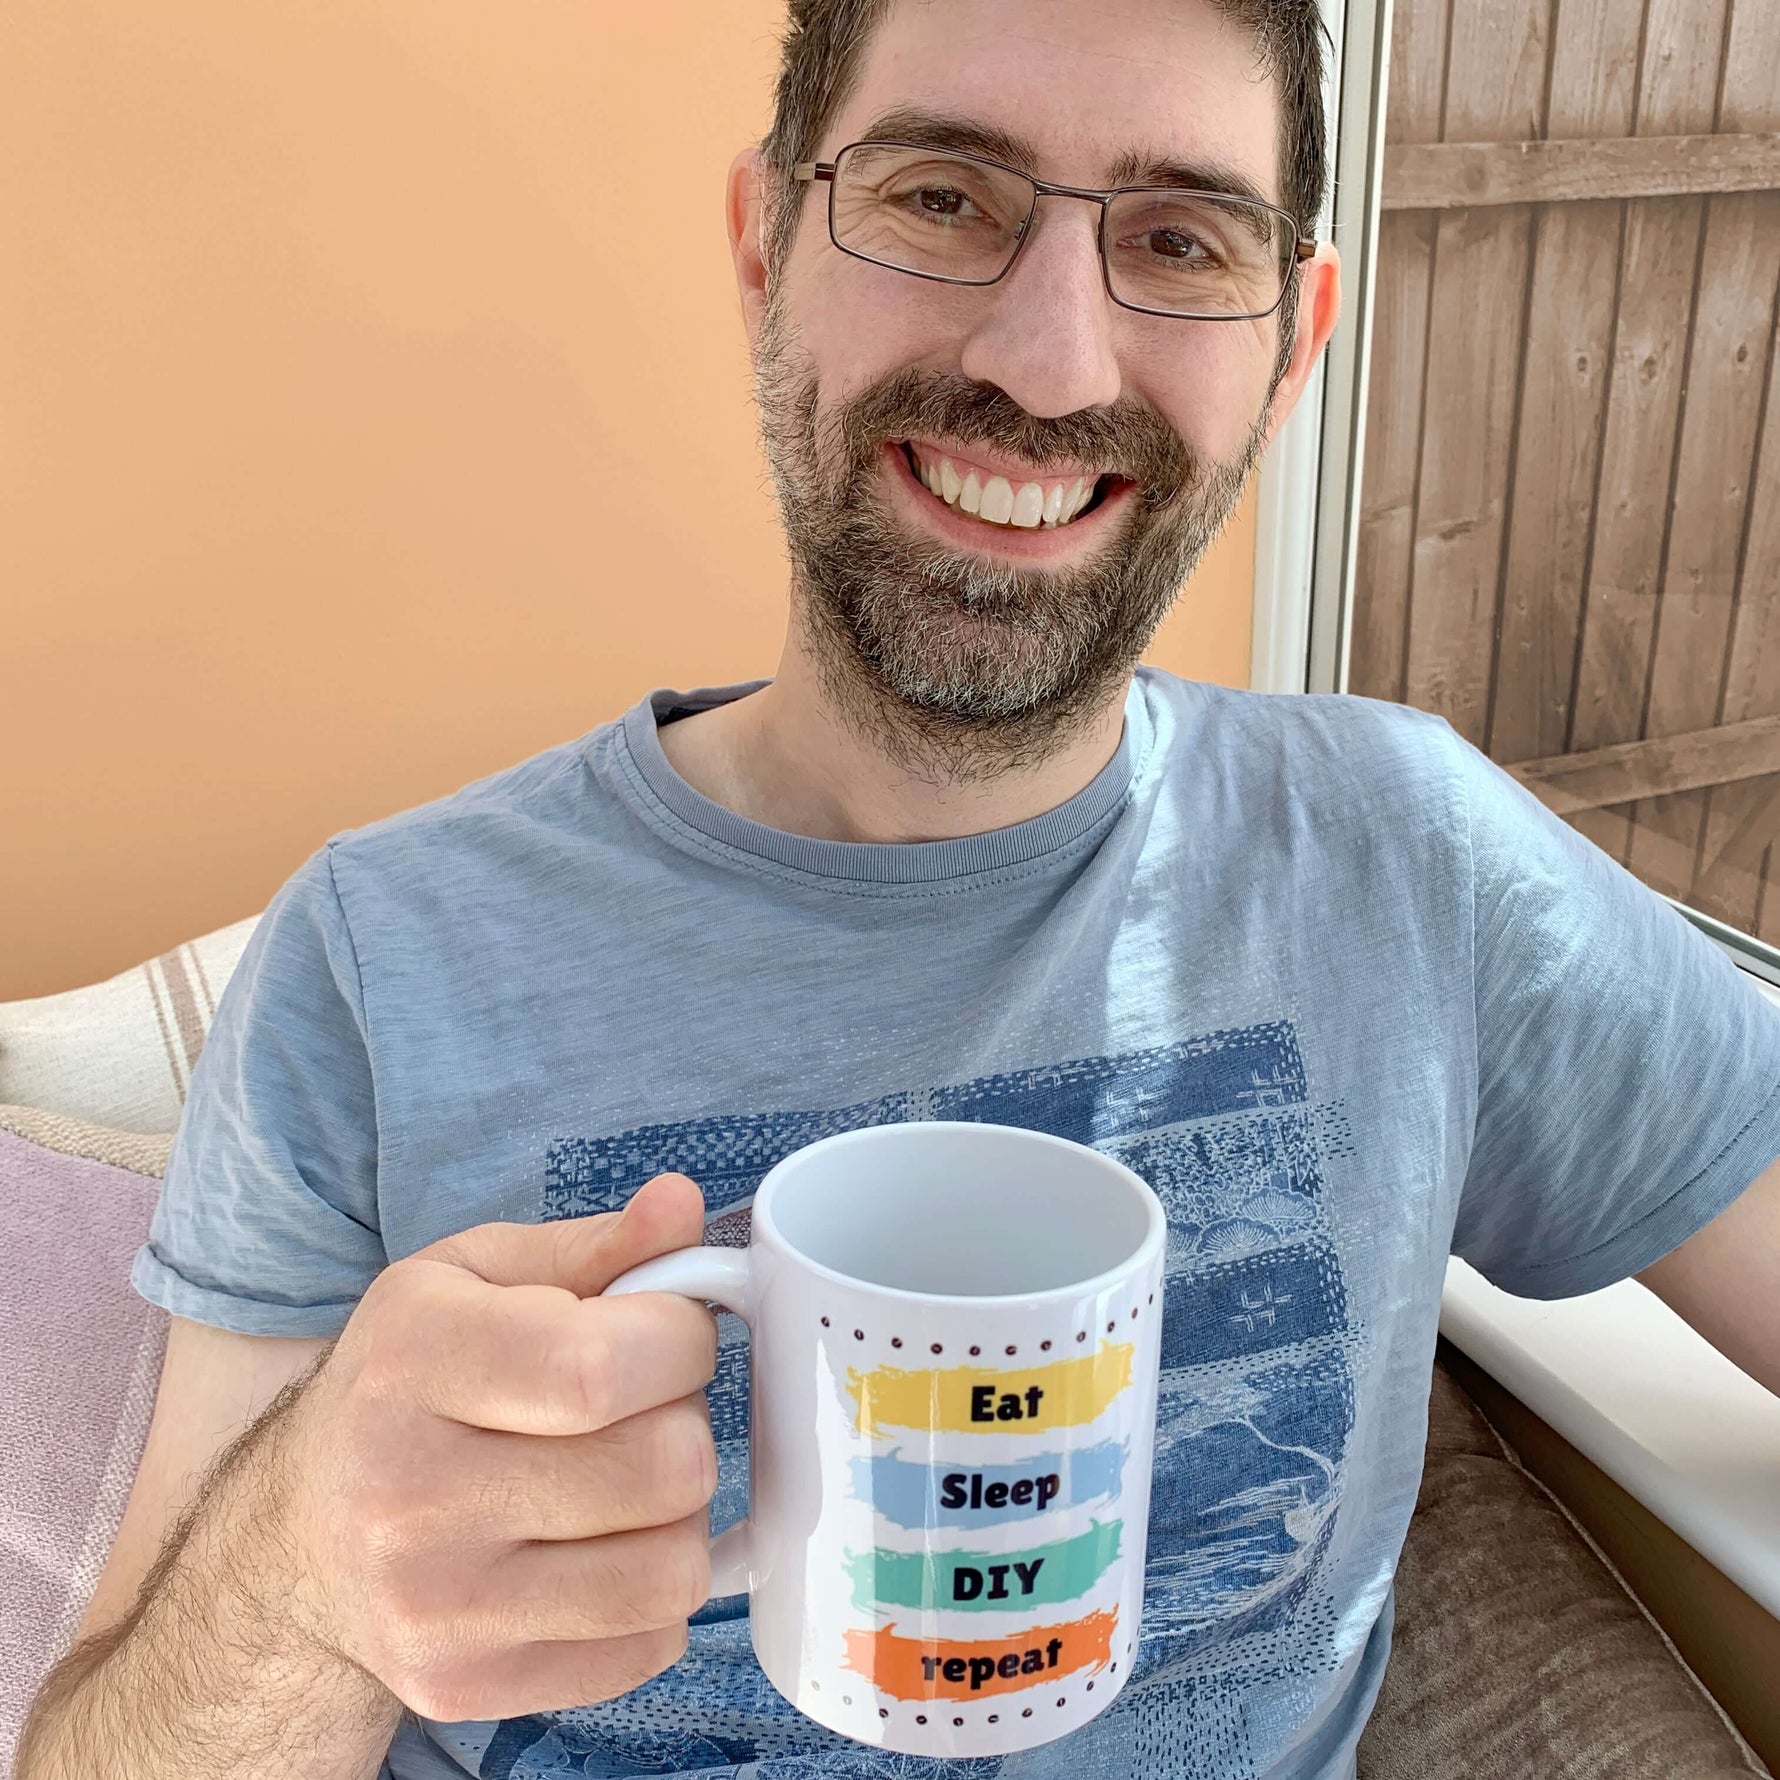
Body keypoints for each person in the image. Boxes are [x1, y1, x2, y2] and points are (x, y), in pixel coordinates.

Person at [18, 0, 1780, 1775]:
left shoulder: (1416, 859)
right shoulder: (374, 957)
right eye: (943, 198)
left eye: (1181, 243)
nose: (1051, 362)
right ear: (765, 245)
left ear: (1293, 344)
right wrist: (305, 1573)